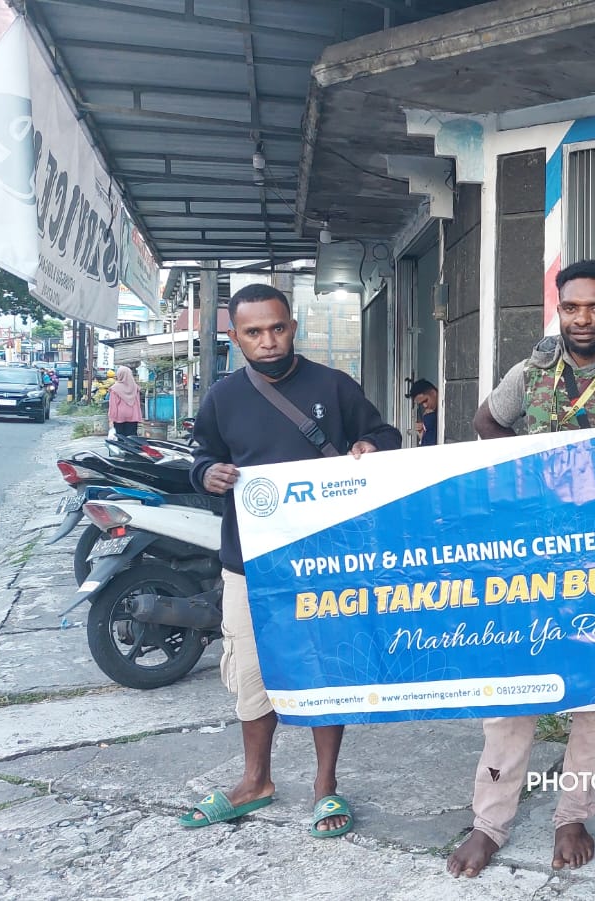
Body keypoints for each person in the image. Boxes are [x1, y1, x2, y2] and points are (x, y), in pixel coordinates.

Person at [454, 260, 595, 877]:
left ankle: (573, 813)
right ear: (559, 309)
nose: (582, 319)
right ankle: (490, 822)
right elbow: (486, 421)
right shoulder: (531, 375)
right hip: (531, 562)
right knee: (513, 692)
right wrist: (521, 472)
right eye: (571, 307)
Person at [184, 283, 400, 838]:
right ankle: (255, 780)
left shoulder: (333, 385)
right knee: (252, 674)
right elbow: (201, 456)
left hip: (325, 564)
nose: (268, 340)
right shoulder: (222, 398)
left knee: (323, 670)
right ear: (235, 337)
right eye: (254, 332)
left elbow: (384, 433)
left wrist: (371, 448)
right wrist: (206, 473)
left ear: (293, 326)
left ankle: (325, 788)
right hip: (250, 565)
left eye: (277, 328)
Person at [108, 365, 143, 438]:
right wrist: (138, 415)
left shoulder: (115, 388)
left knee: (120, 438)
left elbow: (113, 406)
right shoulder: (135, 387)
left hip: (119, 416)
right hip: (133, 416)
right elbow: (137, 404)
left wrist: (111, 419)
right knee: (132, 438)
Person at [407, 378, 439, 446]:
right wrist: (423, 433)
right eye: (421, 404)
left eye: (425, 401)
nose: (425, 406)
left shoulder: (446, 407)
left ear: (433, 393)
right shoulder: (430, 414)